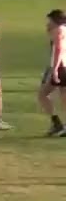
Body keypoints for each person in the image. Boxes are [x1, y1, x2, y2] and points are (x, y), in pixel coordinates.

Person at [39, 9, 66, 137]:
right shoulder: (63, 29)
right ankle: (61, 126)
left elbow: (59, 49)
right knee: (63, 95)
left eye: (49, 20)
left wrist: (54, 69)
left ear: (55, 20)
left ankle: (57, 124)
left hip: (60, 67)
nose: (47, 23)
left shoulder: (58, 31)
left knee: (43, 95)